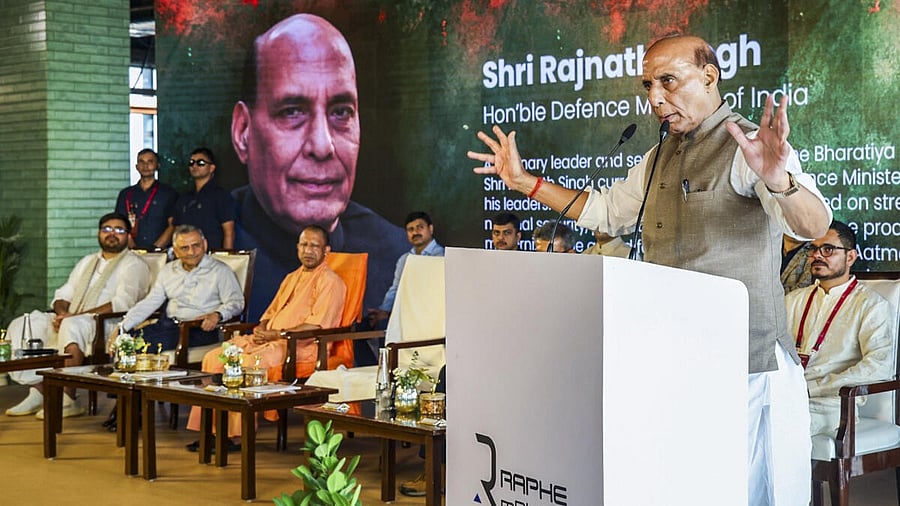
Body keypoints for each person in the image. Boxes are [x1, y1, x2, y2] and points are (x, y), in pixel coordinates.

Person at [469, 34, 832, 505]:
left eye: (669, 81)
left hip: (744, 367)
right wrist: (525, 182)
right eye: (648, 86)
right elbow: (602, 211)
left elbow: (813, 225)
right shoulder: (657, 156)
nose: (656, 98)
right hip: (674, 361)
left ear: (709, 76)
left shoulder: (750, 148)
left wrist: (779, 180)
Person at [229, 13, 407, 321]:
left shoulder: (396, 251)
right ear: (243, 131)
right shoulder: (223, 239)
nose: (323, 146)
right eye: (292, 111)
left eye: (341, 112)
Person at [184, 225, 346, 451]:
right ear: (297, 247)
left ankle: (236, 436)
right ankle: (212, 431)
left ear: (326, 250)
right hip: (269, 340)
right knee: (215, 357)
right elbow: (270, 314)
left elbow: (318, 325)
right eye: (304, 245)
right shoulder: (292, 277)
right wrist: (261, 329)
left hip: (299, 346)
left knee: (246, 364)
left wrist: (277, 334)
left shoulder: (331, 282)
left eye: (315, 246)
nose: (308, 250)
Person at [5, 213, 151, 418]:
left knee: (71, 326)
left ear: (128, 235)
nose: (112, 234)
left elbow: (123, 303)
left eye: (119, 230)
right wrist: (62, 312)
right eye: (107, 229)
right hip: (73, 317)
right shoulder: (88, 261)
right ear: (99, 233)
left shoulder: (134, 264)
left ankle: (68, 398)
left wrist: (73, 317)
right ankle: (39, 390)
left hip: (107, 324)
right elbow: (63, 294)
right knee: (25, 323)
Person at [786, 220, 893, 438]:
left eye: (828, 249)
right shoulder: (793, 300)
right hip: (786, 395)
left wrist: (814, 388)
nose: (817, 255)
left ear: (851, 257)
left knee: (782, 425)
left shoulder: (870, 305)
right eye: (813, 249)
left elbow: (880, 366)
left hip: (833, 404)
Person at [114, 224, 244, 352]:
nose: (191, 252)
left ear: (204, 244)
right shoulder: (168, 270)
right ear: (175, 251)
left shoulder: (220, 271)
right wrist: (122, 327)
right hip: (168, 326)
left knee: (144, 345)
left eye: (196, 246)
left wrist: (217, 315)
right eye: (184, 248)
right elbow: (150, 303)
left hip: (198, 330)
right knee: (126, 340)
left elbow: (236, 303)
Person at [170, 147, 236, 250]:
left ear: (211, 168)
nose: (194, 166)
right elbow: (177, 230)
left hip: (212, 258)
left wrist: (226, 259)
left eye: (200, 163)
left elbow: (229, 232)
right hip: (187, 257)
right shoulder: (184, 198)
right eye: (191, 163)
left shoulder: (221, 196)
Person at [115, 148, 178, 249]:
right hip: (131, 252)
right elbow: (119, 224)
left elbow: (173, 225)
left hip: (160, 252)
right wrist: (134, 248)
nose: (146, 166)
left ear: (157, 166)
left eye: (150, 162)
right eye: (141, 162)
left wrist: (155, 249)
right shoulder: (126, 194)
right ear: (136, 166)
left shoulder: (169, 193)